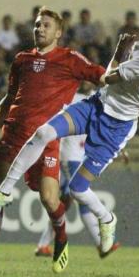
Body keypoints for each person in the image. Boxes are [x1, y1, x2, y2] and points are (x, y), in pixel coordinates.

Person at [0, 0, 139, 257]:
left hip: (116, 126)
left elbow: (107, 76)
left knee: (77, 189)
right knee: (43, 133)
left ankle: (107, 219)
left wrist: (120, 50)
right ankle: (3, 193)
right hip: (97, 105)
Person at [0, 7, 106, 274]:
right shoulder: (21, 59)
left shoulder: (70, 59)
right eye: (37, 25)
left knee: (49, 199)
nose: (40, 29)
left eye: (46, 25)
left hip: (46, 139)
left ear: (58, 32)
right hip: (13, 134)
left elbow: (102, 77)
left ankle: (61, 237)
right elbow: (10, 97)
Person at [34, 81, 122, 258]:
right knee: (81, 198)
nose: (88, 80)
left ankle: (43, 245)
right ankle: (101, 244)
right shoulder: (72, 98)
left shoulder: (97, 99)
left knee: (65, 202)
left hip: (81, 156)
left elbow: (102, 126)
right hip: (69, 156)